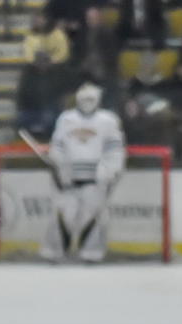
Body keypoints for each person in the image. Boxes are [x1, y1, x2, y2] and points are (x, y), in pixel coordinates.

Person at [40, 82, 125, 264]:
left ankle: (91, 254)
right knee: (64, 213)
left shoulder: (108, 120)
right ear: (77, 99)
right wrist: (60, 165)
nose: (88, 102)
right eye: (84, 98)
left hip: (95, 178)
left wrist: (109, 171)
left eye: (91, 98)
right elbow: (58, 145)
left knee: (92, 216)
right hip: (69, 178)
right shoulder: (66, 119)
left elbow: (115, 149)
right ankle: (53, 252)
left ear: (98, 100)